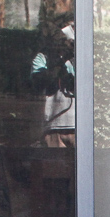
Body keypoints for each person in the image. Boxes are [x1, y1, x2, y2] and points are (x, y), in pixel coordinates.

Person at [31, 16, 76, 147]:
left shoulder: (78, 57)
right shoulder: (42, 58)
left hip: (77, 125)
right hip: (53, 126)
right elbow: (41, 82)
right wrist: (61, 60)